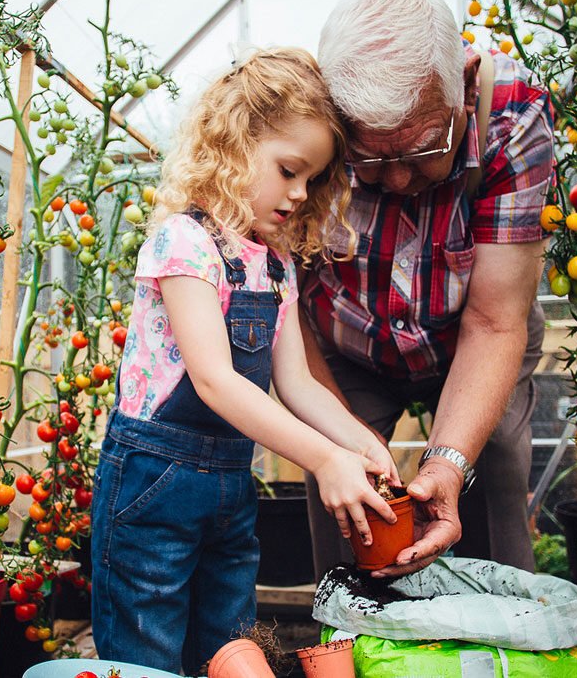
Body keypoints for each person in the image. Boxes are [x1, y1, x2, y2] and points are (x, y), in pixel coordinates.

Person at [89, 48, 402, 675]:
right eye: (288, 170)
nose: (298, 193)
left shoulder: (275, 264)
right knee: (148, 652)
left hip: (230, 488)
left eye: (311, 180)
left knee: (229, 645)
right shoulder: (185, 241)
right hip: (154, 485)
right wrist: (322, 459)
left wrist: (363, 446)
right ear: (234, 144)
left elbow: (298, 384)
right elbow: (213, 380)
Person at [301, 0, 556, 579]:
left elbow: (495, 322)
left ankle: (497, 641)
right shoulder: (304, 119)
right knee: (345, 496)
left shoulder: (514, 117)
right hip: (347, 340)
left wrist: (446, 463)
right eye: (368, 158)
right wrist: (340, 443)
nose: (394, 180)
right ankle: (349, 645)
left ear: (465, 84)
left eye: (420, 151)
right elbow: (286, 310)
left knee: (493, 468)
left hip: (472, 330)